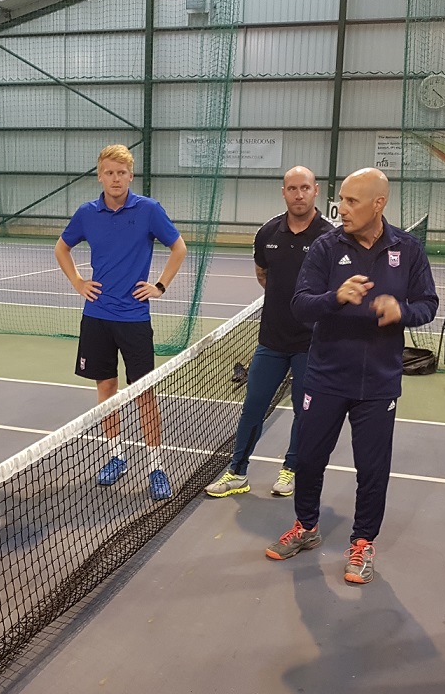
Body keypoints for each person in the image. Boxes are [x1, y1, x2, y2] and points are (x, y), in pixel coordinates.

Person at [264, 168, 438, 585]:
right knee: (308, 460)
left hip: (379, 383)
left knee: (372, 468)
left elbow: (428, 303)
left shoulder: (408, 250)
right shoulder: (325, 247)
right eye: (340, 199)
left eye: (351, 201)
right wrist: (334, 298)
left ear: (378, 204)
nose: (341, 208)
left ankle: (362, 543)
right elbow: (300, 304)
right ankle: (306, 527)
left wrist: (403, 311)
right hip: (325, 376)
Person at [54, 144, 187, 500]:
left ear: (131, 176)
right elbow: (61, 248)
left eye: (122, 173)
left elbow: (179, 247)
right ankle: (116, 456)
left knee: (145, 393)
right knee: (106, 390)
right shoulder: (87, 213)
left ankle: (156, 465)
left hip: (134, 318)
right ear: (100, 175)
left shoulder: (148, 210)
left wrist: (159, 286)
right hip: (96, 317)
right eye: (109, 172)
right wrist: (78, 282)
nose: (115, 179)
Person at [205, 166, 334, 498]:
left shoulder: (331, 237)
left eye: (305, 187)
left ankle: (291, 468)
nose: (299, 194)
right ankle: (237, 472)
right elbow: (263, 274)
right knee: (253, 406)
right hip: (271, 341)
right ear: (283, 192)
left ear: (315, 190)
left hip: (312, 343)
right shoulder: (268, 233)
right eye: (292, 188)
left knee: (304, 411)